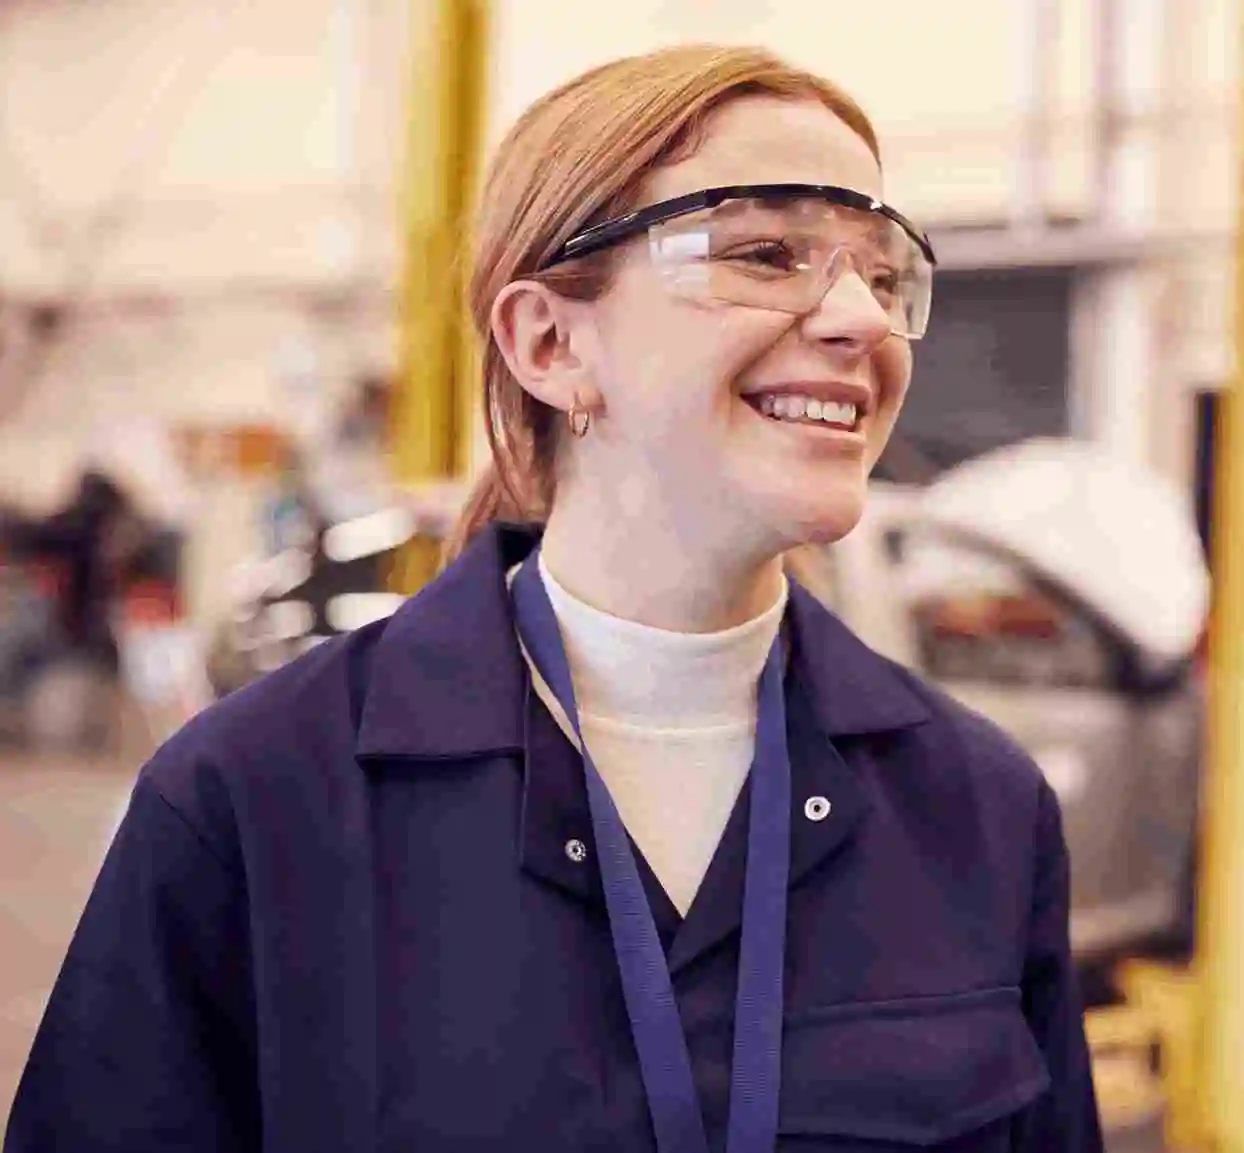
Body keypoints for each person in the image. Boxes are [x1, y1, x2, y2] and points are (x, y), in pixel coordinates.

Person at [7, 45, 1102, 1153]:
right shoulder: (255, 802)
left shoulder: (979, 809)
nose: (862, 320)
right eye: (768, 252)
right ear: (549, 341)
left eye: (882, 273)